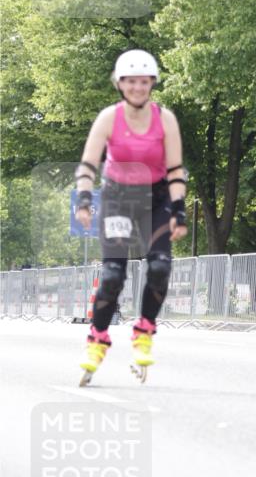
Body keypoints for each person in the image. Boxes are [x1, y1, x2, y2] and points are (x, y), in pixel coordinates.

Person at [74, 49, 188, 381]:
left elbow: (176, 169)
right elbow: (88, 164)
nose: (138, 88)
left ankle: (144, 331)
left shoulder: (165, 118)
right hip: (118, 199)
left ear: (152, 83)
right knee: (112, 275)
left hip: (155, 200)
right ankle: (97, 339)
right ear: (120, 84)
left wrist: (178, 211)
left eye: (143, 81)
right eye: (131, 82)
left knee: (160, 266)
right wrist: (84, 198)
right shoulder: (109, 118)